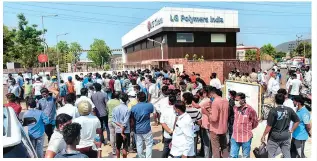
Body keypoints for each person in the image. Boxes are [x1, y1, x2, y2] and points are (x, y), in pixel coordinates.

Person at [261, 93, 300, 158]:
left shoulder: (273, 111)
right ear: (284, 100)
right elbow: (297, 121)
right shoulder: (289, 110)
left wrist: (263, 135)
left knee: (271, 154)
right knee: (287, 154)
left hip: (274, 137)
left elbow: (269, 126)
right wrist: (292, 130)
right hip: (286, 136)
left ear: (275, 100)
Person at [230, 93, 258, 158]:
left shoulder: (250, 110)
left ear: (243, 100)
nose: (235, 102)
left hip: (246, 137)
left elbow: (255, 122)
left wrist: (248, 128)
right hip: (235, 136)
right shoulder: (235, 108)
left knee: (246, 156)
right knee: (233, 156)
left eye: (237, 100)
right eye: (235, 100)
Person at [206, 87, 229, 158]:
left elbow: (214, 118)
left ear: (211, 93)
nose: (209, 97)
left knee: (215, 149)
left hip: (215, 129)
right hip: (224, 128)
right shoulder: (226, 101)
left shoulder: (215, 102)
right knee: (224, 148)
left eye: (209, 95)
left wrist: (207, 113)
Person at [130, 92, 154, 158]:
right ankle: (148, 158)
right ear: (145, 98)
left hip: (137, 129)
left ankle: (141, 157)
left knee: (139, 144)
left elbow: (131, 119)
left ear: (137, 99)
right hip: (147, 129)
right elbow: (152, 111)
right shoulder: (150, 105)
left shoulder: (133, 108)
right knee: (149, 144)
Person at [112, 93, 131, 158]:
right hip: (126, 131)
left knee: (118, 147)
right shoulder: (127, 109)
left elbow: (114, 120)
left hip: (117, 130)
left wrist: (120, 126)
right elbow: (125, 123)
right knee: (125, 148)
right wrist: (122, 131)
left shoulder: (115, 109)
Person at [107, 91, 121, 155]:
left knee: (111, 135)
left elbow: (107, 110)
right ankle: (118, 148)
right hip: (117, 121)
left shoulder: (108, 102)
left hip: (110, 120)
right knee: (117, 135)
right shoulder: (119, 102)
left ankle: (113, 150)